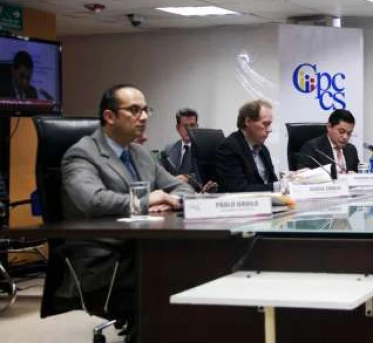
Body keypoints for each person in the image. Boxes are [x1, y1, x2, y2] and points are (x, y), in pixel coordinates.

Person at [60, 84, 195, 341]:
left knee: (195, 262)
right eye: (134, 110)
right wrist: (145, 201)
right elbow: (93, 201)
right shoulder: (81, 154)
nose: (143, 117)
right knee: (176, 274)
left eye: (145, 110)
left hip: (145, 245)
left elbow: (181, 187)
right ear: (109, 117)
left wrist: (170, 201)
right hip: (105, 256)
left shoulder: (141, 153)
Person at [215, 99, 277, 192]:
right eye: (265, 124)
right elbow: (238, 190)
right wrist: (278, 187)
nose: (269, 129)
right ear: (248, 121)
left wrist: (288, 181)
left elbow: (272, 181)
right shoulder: (229, 148)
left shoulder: (263, 149)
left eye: (270, 124)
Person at [159, 108, 212, 192]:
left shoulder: (205, 149)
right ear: (178, 128)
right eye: (185, 126)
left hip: (197, 194)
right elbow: (160, 176)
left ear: (197, 127)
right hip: (172, 195)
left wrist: (187, 179)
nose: (189, 129)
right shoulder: (168, 149)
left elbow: (207, 178)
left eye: (192, 125)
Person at [298, 109, 360, 178]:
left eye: (349, 133)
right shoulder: (313, 148)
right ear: (329, 127)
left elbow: (357, 173)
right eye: (341, 131)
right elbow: (303, 177)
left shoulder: (351, 149)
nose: (345, 137)